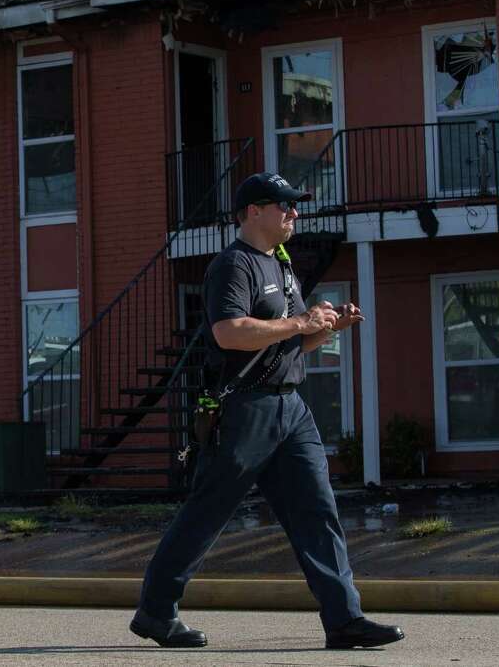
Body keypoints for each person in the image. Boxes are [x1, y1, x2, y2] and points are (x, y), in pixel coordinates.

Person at [130, 171, 405, 651]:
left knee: (318, 511)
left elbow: (292, 341)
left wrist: (326, 328)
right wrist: (299, 321)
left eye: (295, 205)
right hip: (245, 411)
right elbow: (229, 332)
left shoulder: (282, 265)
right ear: (253, 211)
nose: (294, 213)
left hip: (291, 409)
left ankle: (344, 619)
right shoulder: (233, 266)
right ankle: (155, 612)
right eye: (285, 205)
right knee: (207, 513)